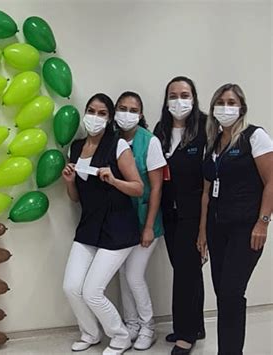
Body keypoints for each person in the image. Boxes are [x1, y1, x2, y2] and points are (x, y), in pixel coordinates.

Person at [62, 93, 144, 355]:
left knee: (92, 291)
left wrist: (114, 180)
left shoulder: (117, 146)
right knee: (71, 287)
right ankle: (90, 333)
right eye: (91, 111)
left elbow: (138, 188)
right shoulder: (75, 148)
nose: (94, 118)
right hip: (89, 226)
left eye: (101, 113)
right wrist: (69, 182)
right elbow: (76, 199)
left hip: (118, 228)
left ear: (109, 119)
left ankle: (120, 337)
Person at [198, 83, 272, 355]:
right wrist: (202, 231)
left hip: (246, 228)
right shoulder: (214, 142)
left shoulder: (255, 136)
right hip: (217, 229)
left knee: (231, 293)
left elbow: (272, 181)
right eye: (220, 102)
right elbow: (207, 192)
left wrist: (263, 222)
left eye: (231, 102)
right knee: (223, 295)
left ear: (242, 108)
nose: (225, 108)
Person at [153, 76, 206, 354]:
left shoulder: (205, 127)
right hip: (169, 212)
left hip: (194, 213)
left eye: (184, 95)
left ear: (194, 98)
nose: (178, 100)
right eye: (173, 95)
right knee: (187, 271)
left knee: (186, 273)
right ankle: (195, 325)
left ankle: (186, 334)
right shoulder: (161, 129)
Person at [114, 91, 166, 350]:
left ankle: (148, 327)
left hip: (147, 221)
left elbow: (156, 188)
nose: (127, 113)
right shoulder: (111, 140)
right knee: (123, 274)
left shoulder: (150, 142)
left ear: (141, 114)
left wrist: (148, 227)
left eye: (133, 109)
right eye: (122, 108)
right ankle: (131, 323)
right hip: (121, 221)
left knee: (134, 275)